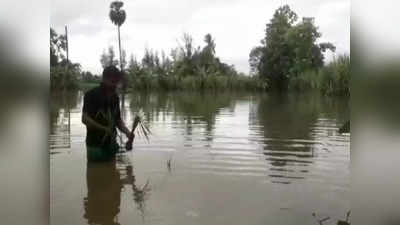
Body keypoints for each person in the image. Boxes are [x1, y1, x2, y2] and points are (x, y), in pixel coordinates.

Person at [82, 65, 134, 161]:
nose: (115, 85)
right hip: (95, 145)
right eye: (113, 82)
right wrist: (104, 129)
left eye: (116, 82)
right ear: (104, 79)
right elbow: (85, 119)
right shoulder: (91, 95)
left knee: (112, 172)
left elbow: (117, 120)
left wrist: (128, 132)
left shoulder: (115, 98)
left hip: (111, 143)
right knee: (96, 172)